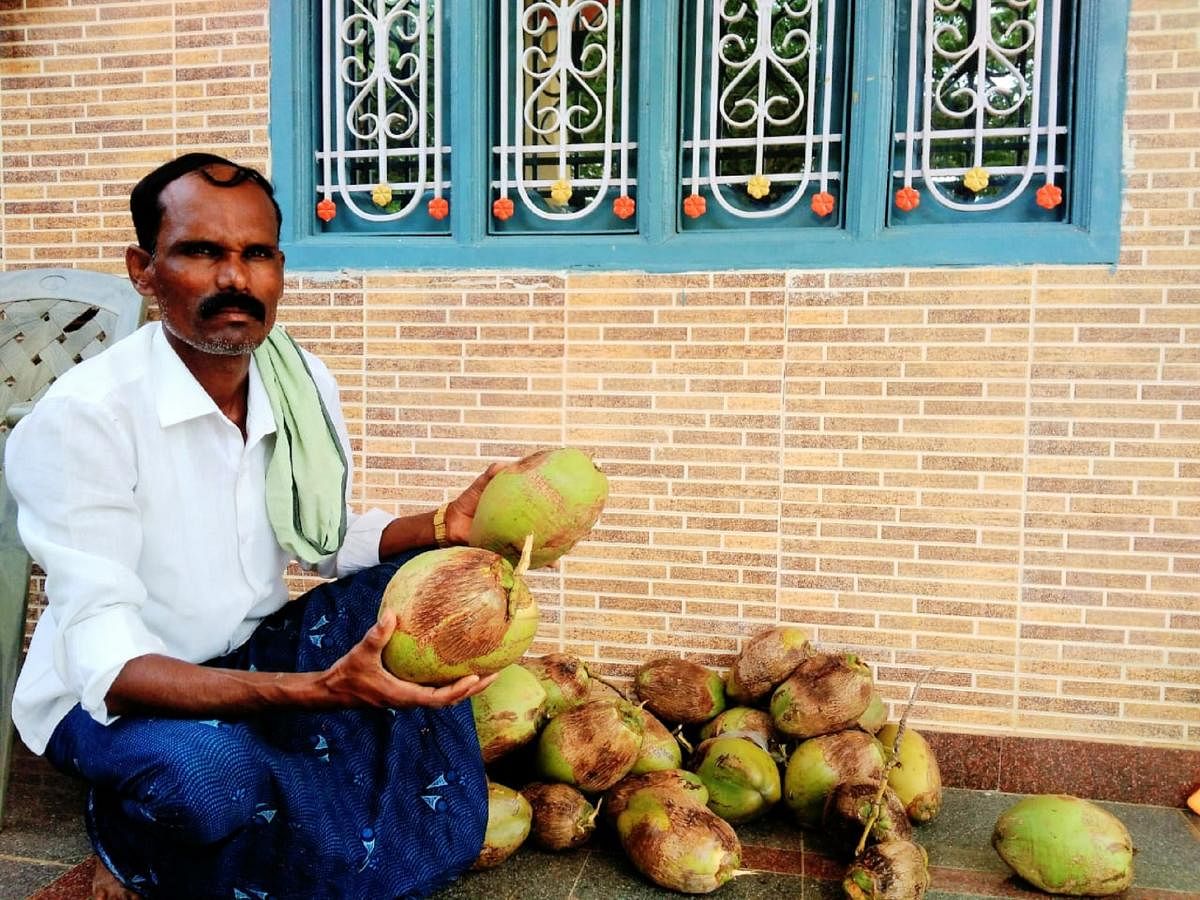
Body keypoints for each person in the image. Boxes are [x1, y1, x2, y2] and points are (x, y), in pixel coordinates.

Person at [5, 153, 505, 899]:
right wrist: (311, 691)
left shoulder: (299, 380)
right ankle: (125, 848)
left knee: (417, 593)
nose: (236, 279)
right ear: (144, 269)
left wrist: (443, 525)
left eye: (257, 254)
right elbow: (111, 662)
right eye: (202, 253)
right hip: (110, 691)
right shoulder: (84, 421)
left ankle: (344, 827)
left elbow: (324, 538)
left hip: (249, 649)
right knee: (209, 779)